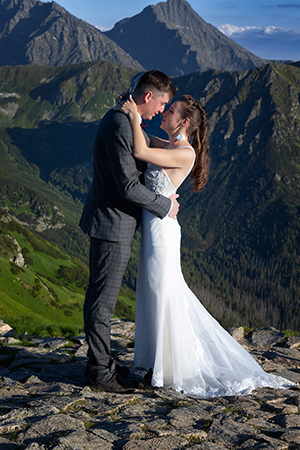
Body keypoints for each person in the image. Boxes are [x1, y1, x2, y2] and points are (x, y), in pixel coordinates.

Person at [118, 94, 294, 397]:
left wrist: (133, 114)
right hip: (154, 229)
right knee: (153, 290)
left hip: (162, 232)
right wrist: (131, 114)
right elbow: (146, 139)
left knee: (163, 290)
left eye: (170, 111)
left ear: (184, 122)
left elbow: (139, 149)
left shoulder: (184, 153)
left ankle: (165, 365)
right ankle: (152, 362)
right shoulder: (172, 145)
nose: (165, 112)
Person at [79, 70, 178, 393]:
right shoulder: (120, 123)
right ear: (148, 97)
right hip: (111, 222)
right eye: (162, 104)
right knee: (102, 303)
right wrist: (165, 206)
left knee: (101, 299)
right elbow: (127, 187)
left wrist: (184, 146)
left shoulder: (127, 119)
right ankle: (100, 373)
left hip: (116, 222)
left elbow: (147, 145)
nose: (162, 112)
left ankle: (103, 362)